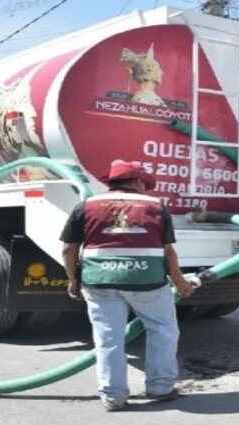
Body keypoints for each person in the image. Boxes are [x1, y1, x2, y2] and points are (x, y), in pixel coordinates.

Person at [61, 160, 196, 411]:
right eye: (145, 185)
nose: (147, 190)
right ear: (137, 182)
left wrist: (73, 281)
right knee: (162, 330)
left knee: (108, 338)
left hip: (99, 281)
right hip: (147, 282)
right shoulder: (155, 206)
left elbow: (69, 249)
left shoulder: (86, 206)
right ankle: (161, 387)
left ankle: (113, 397)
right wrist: (181, 282)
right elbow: (168, 252)